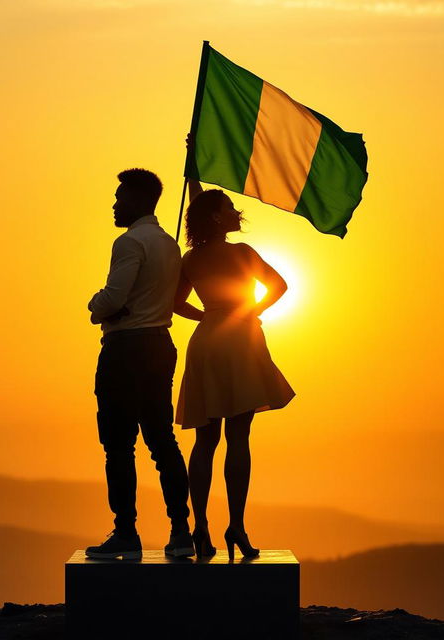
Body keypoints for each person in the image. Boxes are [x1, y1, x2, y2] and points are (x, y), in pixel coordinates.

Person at [174, 168, 295, 560]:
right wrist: (247, 311)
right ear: (216, 217)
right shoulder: (243, 254)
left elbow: (177, 304)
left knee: (204, 441)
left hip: (206, 341)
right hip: (240, 340)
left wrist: (208, 318)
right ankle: (237, 526)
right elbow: (279, 286)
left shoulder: (191, 259)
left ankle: (201, 528)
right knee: (238, 439)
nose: (233, 210)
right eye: (227, 207)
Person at [85, 168, 194, 560]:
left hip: (125, 347)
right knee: (162, 440)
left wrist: (94, 307)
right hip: (160, 345)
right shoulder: (169, 245)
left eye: (120, 197)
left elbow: (112, 298)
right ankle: (181, 530)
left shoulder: (129, 242)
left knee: (118, 445)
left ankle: (126, 532)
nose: (115, 204)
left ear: (137, 200)